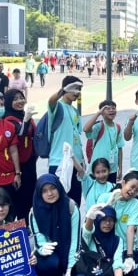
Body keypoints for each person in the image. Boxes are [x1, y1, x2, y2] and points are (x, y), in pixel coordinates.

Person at [29, 175, 80, 276]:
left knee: (79, 270)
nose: (50, 193)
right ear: (39, 193)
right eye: (44, 191)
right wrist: (42, 248)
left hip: (69, 248)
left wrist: (71, 266)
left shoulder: (71, 206)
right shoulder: (35, 212)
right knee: (46, 264)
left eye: (53, 188)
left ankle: (66, 271)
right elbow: (38, 239)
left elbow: (76, 239)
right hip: (51, 251)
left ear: (59, 187)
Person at [96, 172, 138, 276]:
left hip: (124, 247)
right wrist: (109, 204)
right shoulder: (105, 197)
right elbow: (96, 221)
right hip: (106, 245)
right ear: (123, 183)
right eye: (131, 187)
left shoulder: (136, 204)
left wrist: (130, 256)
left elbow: (130, 229)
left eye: (137, 190)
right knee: (103, 271)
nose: (133, 191)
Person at [46, 76, 85, 206]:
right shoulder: (58, 107)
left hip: (76, 164)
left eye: (79, 89)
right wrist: (62, 91)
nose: (77, 92)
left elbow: (77, 139)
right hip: (59, 162)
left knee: (74, 205)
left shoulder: (74, 110)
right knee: (58, 203)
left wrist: (82, 161)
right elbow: (51, 101)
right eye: (74, 88)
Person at [3, 89, 37, 221]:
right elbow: (21, 133)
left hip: (29, 162)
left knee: (29, 196)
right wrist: (27, 119)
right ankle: (16, 231)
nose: (20, 101)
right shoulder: (9, 119)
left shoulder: (23, 115)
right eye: (15, 99)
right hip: (17, 164)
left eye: (21, 98)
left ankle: (27, 228)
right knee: (19, 199)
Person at [84, 100, 124, 182]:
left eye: (113, 108)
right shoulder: (99, 126)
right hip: (98, 169)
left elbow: (120, 148)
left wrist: (120, 168)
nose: (111, 110)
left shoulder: (118, 127)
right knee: (96, 192)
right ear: (102, 112)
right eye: (107, 109)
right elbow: (86, 129)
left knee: (110, 192)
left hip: (112, 169)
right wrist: (98, 113)